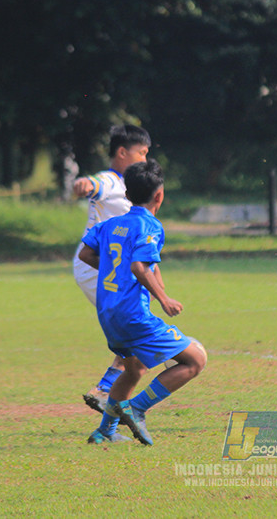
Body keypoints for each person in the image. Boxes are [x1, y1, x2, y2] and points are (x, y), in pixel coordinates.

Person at [78, 159, 207, 445]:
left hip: (108, 313)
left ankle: (105, 431)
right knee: (196, 359)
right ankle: (136, 410)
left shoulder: (111, 224)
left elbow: (85, 255)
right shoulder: (150, 225)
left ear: (126, 195)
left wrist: (116, 268)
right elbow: (139, 266)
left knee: (133, 367)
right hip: (132, 314)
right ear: (159, 196)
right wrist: (164, 298)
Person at [72, 125, 151, 414]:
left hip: (108, 268)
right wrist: (84, 184)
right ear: (122, 152)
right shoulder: (111, 180)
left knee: (138, 332)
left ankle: (105, 390)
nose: (144, 159)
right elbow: (94, 184)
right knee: (138, 331)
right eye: (141, 153)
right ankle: (106, 391)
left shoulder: (130, 186)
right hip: (96, 266)